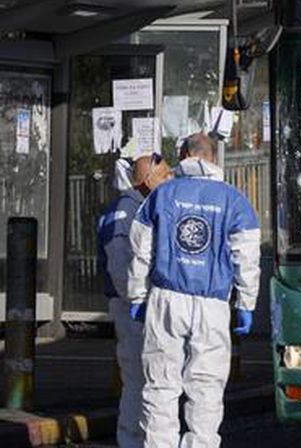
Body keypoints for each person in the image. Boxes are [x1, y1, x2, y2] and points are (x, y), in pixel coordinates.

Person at [127, 132, 261, 448]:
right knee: (206, 387)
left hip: (166, 298)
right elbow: (247, 257)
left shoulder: (162, 195)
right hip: (212, 304)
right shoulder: (235, 200)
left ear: (185, 155)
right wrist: (246, 303)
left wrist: (137, 296)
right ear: (213, 157)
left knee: (160, 385)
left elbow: (141, 249)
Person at [97, 154, 171, 448]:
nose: (170, 179)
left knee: (146, 379)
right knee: (139, 379)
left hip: (141, 303)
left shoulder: (141, 207)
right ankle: (131, 440)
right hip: (132, 306)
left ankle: (139, 439)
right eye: (164, 175)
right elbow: (119, 264)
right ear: (147, 180)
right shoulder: (126, 211)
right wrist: (137, 302)